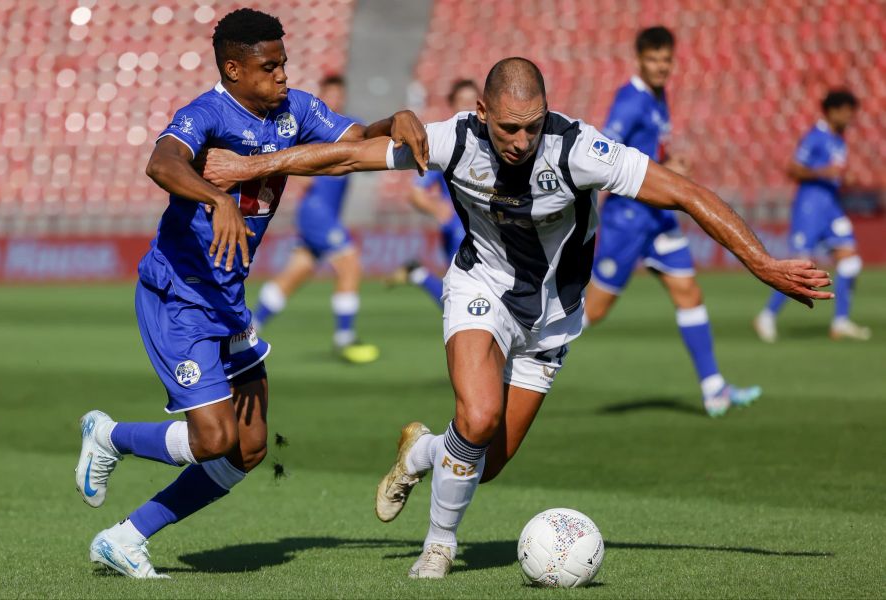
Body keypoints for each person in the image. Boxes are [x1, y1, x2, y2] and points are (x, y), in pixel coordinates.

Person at [201, 57, 832, 580]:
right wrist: (250, 167)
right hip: (481, 289)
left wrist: (763, 263)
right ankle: (439, 546)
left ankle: (420, 453)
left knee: (485, 458)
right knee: (477, 418)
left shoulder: (582, 149)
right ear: (483, 113)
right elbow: (346, 158)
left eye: (531, 127)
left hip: (553, 318)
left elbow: (688, 194)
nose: (520, 141)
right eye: (508, 129)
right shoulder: (453, 140)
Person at [74, 8, 427, 579]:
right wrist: (215, 200)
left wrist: (398, 118)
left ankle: (125, 536)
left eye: (284, 63)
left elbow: (356, 138)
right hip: (179, 296)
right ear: (234, 68)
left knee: (250, 448)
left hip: (228, 300)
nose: (282, 75)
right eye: (270, 67)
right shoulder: (206, 114)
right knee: (213, 439)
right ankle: (108, 435)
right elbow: (160, 162)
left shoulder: (295, 110)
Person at [584, 26, 760, 417]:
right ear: (640, 59)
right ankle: (521, 345)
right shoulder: (629, 102)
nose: (662, 67)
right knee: (592, 313)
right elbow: (606, 155)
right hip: (627, 221)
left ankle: (714, 390)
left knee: (689, 294)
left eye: (667, 60)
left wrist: (668, 163)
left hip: (659, 218)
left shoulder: (658, 97)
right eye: (654, 60)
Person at [251, 75, 379, 363]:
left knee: (296, 272)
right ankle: (345, 338)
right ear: (322, 96)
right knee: (350, 264)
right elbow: (281, 150)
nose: (335, 99)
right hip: (316, 212)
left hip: (324, 214)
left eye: (339, 93)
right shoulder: (308, 125)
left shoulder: (347, 125)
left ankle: (250, 329)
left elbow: (367, 147)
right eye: (330, 94)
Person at [754, 89, 870, 342]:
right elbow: (793, 168)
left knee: (851, 261)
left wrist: (840, 177)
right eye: (846, 111)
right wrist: (823, 173)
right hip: (810, 207)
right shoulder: (815, 137)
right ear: (832, 111)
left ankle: (840, 322)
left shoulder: (839, 138)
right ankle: (767, 316)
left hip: (831, 207)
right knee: (800, 269)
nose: (850, 117)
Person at [390, 79, 479, 307]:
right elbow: (415, 192)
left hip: (492, 229)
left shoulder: (492, 143)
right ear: (452, 106)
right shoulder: (446, 145)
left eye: (472, 101)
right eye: (462, 102)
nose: (468, 107)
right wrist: (438, 208)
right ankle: (418, 274)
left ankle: (417, 273)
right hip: (459, 231)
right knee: (461, 302)